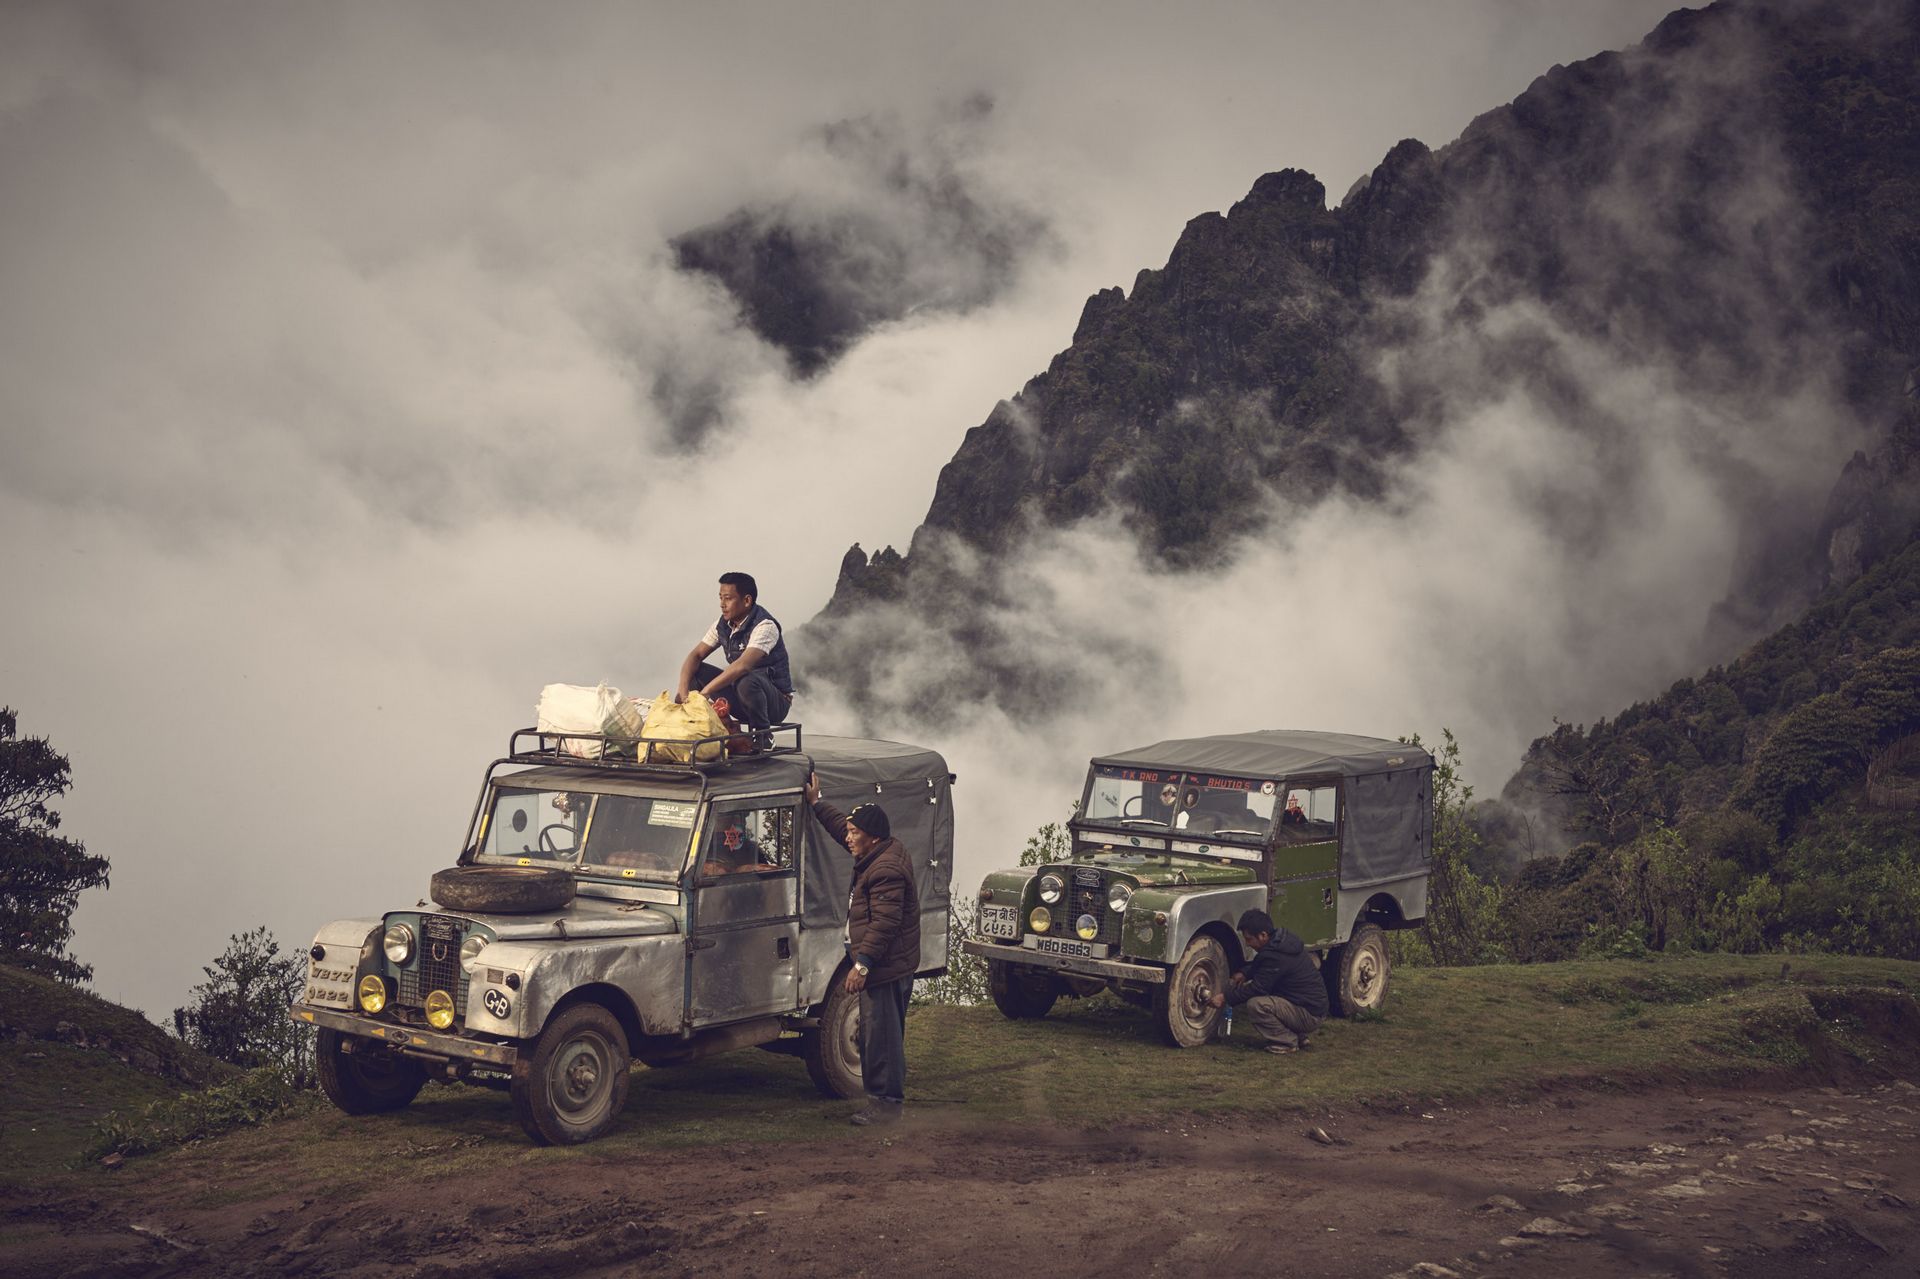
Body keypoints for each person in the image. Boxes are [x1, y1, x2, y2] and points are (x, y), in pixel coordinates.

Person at [805, 771, 919, 1125]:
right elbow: (842, 827)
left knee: (881, 1036)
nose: (849, 837)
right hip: (888, 963)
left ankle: (885, 1106)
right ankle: (883, 1100)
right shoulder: (877, 850)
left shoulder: (886, 870)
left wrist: (862, 965)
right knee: (877, 1033)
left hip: (886, 966)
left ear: (872, 838)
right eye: (851, 832)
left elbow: (884, 925)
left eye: (856, 833)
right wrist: (816, 803)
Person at [674, 572, 794, 739]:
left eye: (728, 598)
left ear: (746, 601)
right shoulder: (722, 625)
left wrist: (707, 691)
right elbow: (695, 655)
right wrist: (683, 692)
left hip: (774, 703)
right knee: (696, 672)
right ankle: (697, 728)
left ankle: (763, 737)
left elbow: (743, 666)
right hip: (742, 697)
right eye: (720, 598)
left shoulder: (765, 626)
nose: (722, 604)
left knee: (747, 679)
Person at [1208, 909, 1328, 1054]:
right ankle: (1299, 1036)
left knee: (1257, 1005)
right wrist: (1244, 973)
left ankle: (1287, 1041)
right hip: (1310, 1006)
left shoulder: (1275, 956)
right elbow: (1263, 966)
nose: (1247, 944)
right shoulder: (1280, 944)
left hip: (1309, 1013)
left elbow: (1257, 988)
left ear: (1263, 935)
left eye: (1249, 939)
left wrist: (1225, 997)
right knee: (1273, 998)